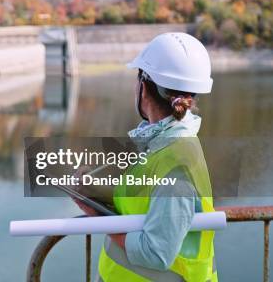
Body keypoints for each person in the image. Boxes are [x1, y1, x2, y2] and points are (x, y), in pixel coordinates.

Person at [76, 32, 217, 281]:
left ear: (143, 87)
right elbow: (149, 205)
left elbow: (156, 253)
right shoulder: (160, 146)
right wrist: (96, 192)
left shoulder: (177, 161)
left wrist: (94, 215)